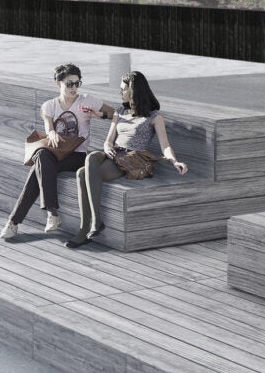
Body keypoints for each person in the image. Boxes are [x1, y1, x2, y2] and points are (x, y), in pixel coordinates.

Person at [69, 69, 188, 247]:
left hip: (133, 158)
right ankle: (95, 222)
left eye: (123, 89)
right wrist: (107, 147)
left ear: (133, 91)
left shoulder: (154, 116)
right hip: (115, 153)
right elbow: (109, 140)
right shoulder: (120, 112)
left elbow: (165, 146)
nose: (120, 92)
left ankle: (86, 228)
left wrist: (174, 161)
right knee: (92, 157)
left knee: (81, 174)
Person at [4, 62, 112, 241]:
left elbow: (114, 114)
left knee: (39, 163)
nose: (74, 87)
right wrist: (52, 132)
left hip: (77, 156)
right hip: (55, 154)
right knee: (42, 158)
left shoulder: (87, 100)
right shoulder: (50, 105)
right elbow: (48, 124)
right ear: (58, 83)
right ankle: (49, 214)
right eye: (69, 83)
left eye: (77, 83)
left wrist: (99, 114)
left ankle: (19, 221)